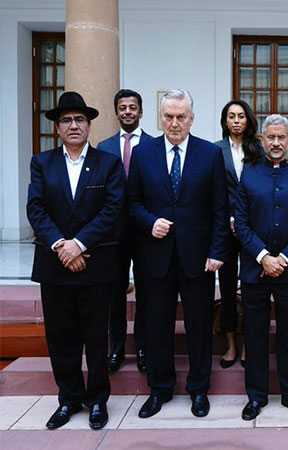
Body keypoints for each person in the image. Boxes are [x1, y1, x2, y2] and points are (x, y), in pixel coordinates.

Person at [128, 89, 229, 419]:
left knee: (199, 325)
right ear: (160, 117)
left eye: (180, 116)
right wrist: (148, 221)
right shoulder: (143, 153)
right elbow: (132, 204)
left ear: (192, 119)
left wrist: (217, 250)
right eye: (168, 116)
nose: (174, 123)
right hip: (155, 255)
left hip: (198, 257)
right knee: (158, 324)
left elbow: (219, 207)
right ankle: (160, 388)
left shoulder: (210, 154)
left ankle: (199, 389)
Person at [26, 91, 125, 430]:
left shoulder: (108, 164)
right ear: (57, 127)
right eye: (66, 120)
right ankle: (68, 399)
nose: (73, 125)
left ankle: (98, 400)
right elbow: (35, 209)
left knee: (97, 338)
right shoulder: (42, 163)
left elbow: (113, 209)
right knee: (61, 337)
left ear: (89, 125)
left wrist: (79, 244)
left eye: (79, 119)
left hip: (95, 265)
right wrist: (61, 246)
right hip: (55, 267)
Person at [235, 114, 288, 420]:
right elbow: (240, 224)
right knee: (254, 335)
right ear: (262, 140)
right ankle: (255, 396)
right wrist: (263, 257)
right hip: (256, 271)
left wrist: (283, 259)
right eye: (271, 138)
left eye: (282, 138)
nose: (276, 143)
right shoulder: (250, 175)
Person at [98, 88, 153, 373]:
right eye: (123, 107)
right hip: (113, 233)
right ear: (116, 112)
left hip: (145, 233)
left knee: (145, 293)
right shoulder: (104, 147)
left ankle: (143, 348)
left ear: (141, 112)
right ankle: (116, 349)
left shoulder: (156, 146)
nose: (128, 111)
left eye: (133, 107)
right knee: (114, 293)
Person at [214, 99, 262, 369]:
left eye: (241, 116)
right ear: (225, 121)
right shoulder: (214, 150)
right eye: (231, 116)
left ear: (248, 120)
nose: (236, 121)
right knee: (229, 287)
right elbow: (214, 191)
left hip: (254, 229)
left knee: (253, 289)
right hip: (225, 229)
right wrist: (230, 220)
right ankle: (232, 346)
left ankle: (249, 346)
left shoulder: (258, 149)